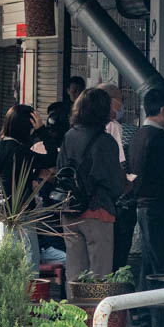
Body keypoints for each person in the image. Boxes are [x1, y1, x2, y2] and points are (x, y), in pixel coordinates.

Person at [58, 88, 127, 280]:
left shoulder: (69, 136)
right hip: (98, 211)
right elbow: (115, 183)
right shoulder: (106, 141)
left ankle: (74, 309)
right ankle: (97, 310)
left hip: (70, 210)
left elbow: (60, 169)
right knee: (99, 272)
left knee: (75, 272)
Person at [129, 87, 164, 327]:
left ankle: (143, 316)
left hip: (143, 206)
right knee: (162, 265)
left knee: (149, 263)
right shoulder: (161, 139)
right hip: (160, 207)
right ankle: (158, 319)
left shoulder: (139, 135)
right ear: (163, 111)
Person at [0, 104, 47, 274]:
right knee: (28, 258)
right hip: (24, 210)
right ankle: (28, 294)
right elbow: (51, 160)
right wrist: (42, 130)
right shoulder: (24, 152)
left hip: (1, 211)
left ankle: (9, 293)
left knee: (6, 256)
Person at [98, 83, 137, 271]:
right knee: (116, 257)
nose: (122, 105)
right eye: (120, 99)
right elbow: (120, 163)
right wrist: (127, 183)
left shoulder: (80, 128)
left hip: (88, 202)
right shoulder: (113, 127)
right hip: (112, 202)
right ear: (110, 102)